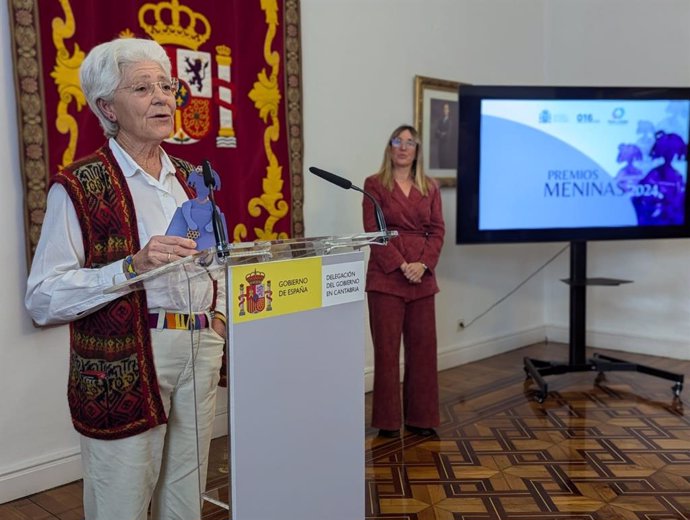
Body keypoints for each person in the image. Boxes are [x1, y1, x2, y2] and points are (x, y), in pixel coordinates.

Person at [25, 38, 227, 520]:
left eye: (166, 85)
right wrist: (131, 267)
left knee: (186, 491)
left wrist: (217, 315)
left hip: (200, 347)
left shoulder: (189, 175)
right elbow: (42, 298)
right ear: (106, 107)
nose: (162, 97)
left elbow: (213, 257)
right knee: (123, 498)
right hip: (129, 358)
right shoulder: (79, 185)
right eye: (142, 87)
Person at [363, 124, 445, 439]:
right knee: (386, 353)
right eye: (398, 141)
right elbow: (374, 232)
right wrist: (401, 265)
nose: (403, 147)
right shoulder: (373, 185)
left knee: (423, 350)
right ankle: (387, 422)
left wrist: (423, 264)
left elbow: (437, 230)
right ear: (390, 147)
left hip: (423, 278)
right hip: (386, 278)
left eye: (410, 142)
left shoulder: (431, 187)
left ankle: (421, 418)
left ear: (417, 150)